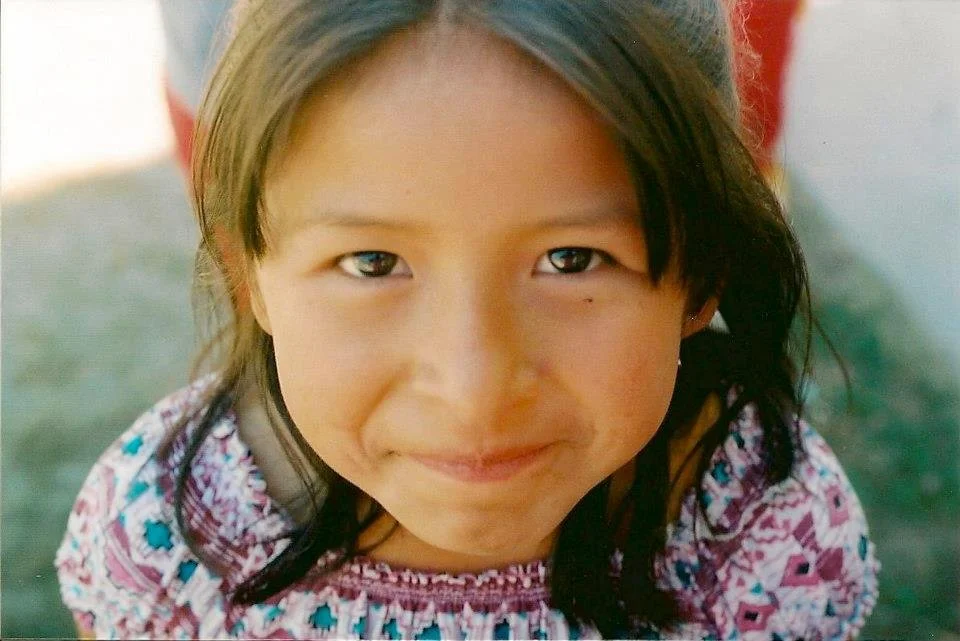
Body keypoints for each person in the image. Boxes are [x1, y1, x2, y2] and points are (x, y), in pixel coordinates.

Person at [55, 0, 879, 638]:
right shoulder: (164, 542)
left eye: (571, 259)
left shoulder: (765, 536)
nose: (474, 386)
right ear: (251, 272)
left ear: (702, 274)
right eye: (373, 263)